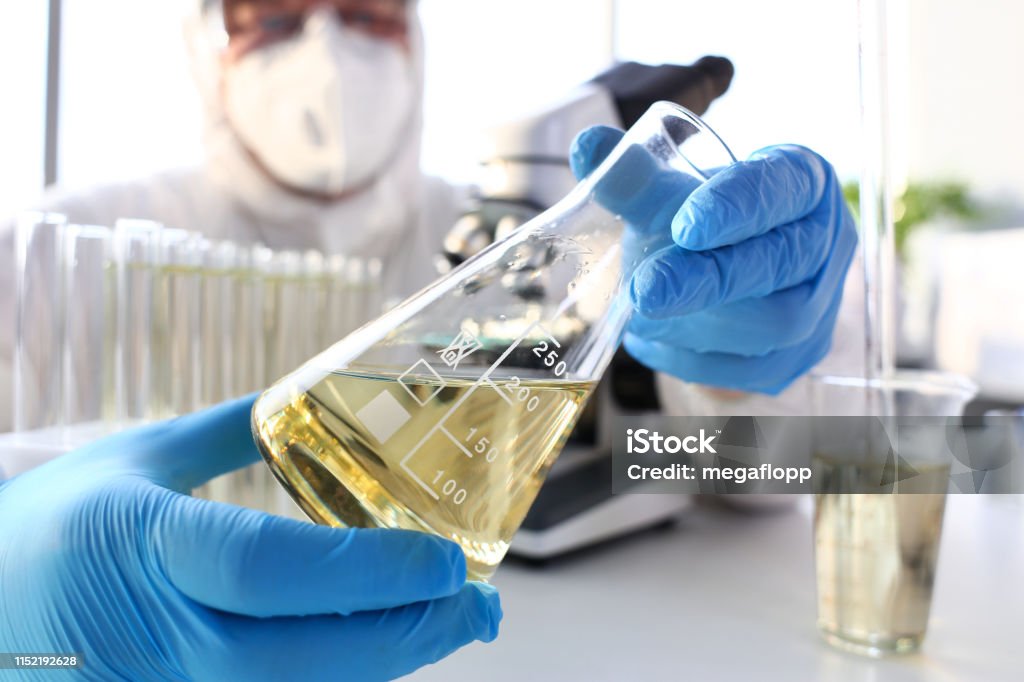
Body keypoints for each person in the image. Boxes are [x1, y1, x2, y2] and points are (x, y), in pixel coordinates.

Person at [0, 0, 858, 677]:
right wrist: (18, 639)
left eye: (368, 9)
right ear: (206, 41)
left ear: (415, 34)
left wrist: (742, 359)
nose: (328, 48)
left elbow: (835, 460)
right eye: (273, 14)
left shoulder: (499, 228)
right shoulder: (60, 241)